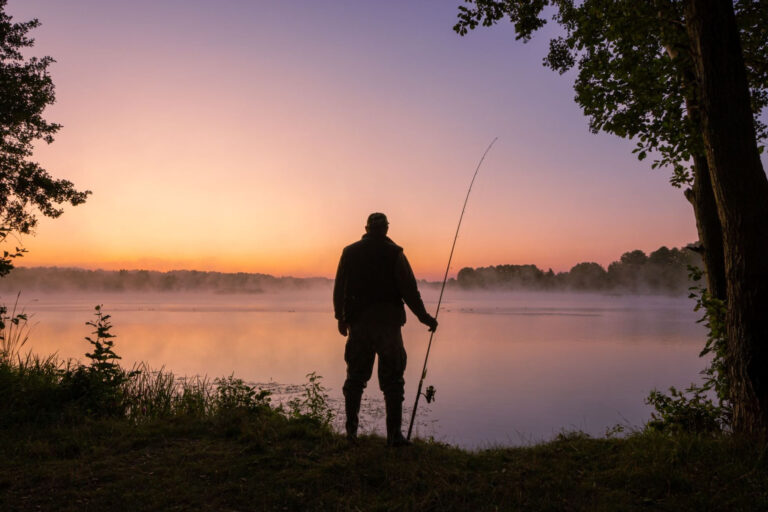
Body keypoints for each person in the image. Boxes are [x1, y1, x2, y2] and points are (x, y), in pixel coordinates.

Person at [333, 212, 438, 446]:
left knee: (355, 380)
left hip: (359, 325)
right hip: (388, 327)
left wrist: (340, 317)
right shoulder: (395, 254)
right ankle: (394, 437)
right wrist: (425, 318)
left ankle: (351, 435)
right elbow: (410, 291)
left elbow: (339, 288)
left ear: (366, 228)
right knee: (393, 382)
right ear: (386, 229)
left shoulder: (349, 252)